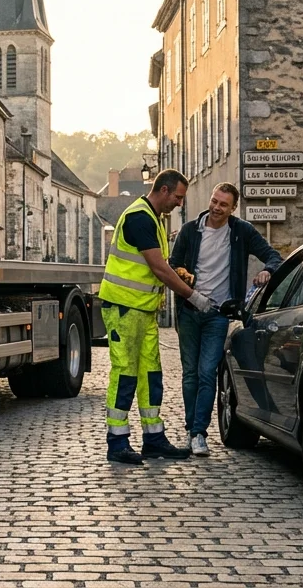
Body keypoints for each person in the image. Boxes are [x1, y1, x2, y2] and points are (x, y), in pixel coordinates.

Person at [98, 169, 214, 465]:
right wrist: (194, 297)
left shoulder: (154, 219)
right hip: (124, 308)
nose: (179, 203)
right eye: (178, 196)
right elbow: (159, 269)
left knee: (151, 375)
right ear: (163, 190)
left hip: (143, 309)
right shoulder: (139, 217)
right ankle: (117, 442)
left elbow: (162, 266)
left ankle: (153, 439)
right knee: (125, 373)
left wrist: (179, 275)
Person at [169, 182, 282, 457]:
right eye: (214, 201)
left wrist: (267, 271)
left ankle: (199, 434)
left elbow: (274, 257)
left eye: (223, 205)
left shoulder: (241, 231)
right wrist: (184, 278)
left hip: (219, 314)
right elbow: (172, 265)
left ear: (233, 208)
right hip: (189, 310)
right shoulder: (190, 231)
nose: (216, 208)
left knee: (208, 372)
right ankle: (189, 428)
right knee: (190, 374)